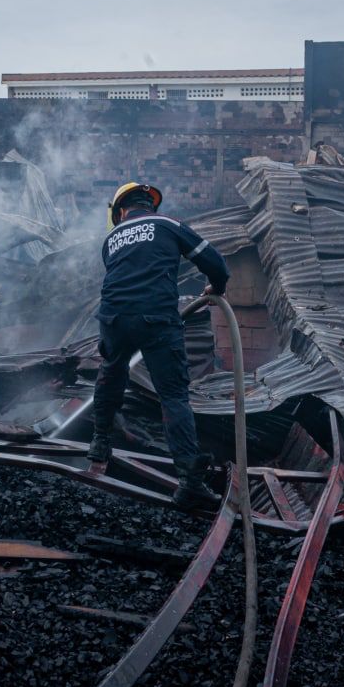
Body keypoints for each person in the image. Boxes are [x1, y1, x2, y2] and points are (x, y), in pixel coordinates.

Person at [87, 182, 231, 509]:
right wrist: (217, 288)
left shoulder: (111, 239)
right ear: (150, 205)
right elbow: (216, 263)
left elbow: (123, 275)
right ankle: (189, 482)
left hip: (113, 318)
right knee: (173, 395)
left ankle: (99, 444)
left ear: (120, 211)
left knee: (111, 373)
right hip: (155, 318)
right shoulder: (168, 225)